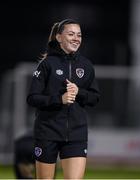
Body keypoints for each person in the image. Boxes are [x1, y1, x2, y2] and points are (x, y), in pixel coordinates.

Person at [27, 18, 100, 179]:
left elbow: (95, 98)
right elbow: (32, 98)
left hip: (76, 134)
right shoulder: (46, 64)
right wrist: (59, 99)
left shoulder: (86, 65)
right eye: (71, 34)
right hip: (47, 132)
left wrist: (79, 91)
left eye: (79, 35)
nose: (76, 38)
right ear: (59, 37)